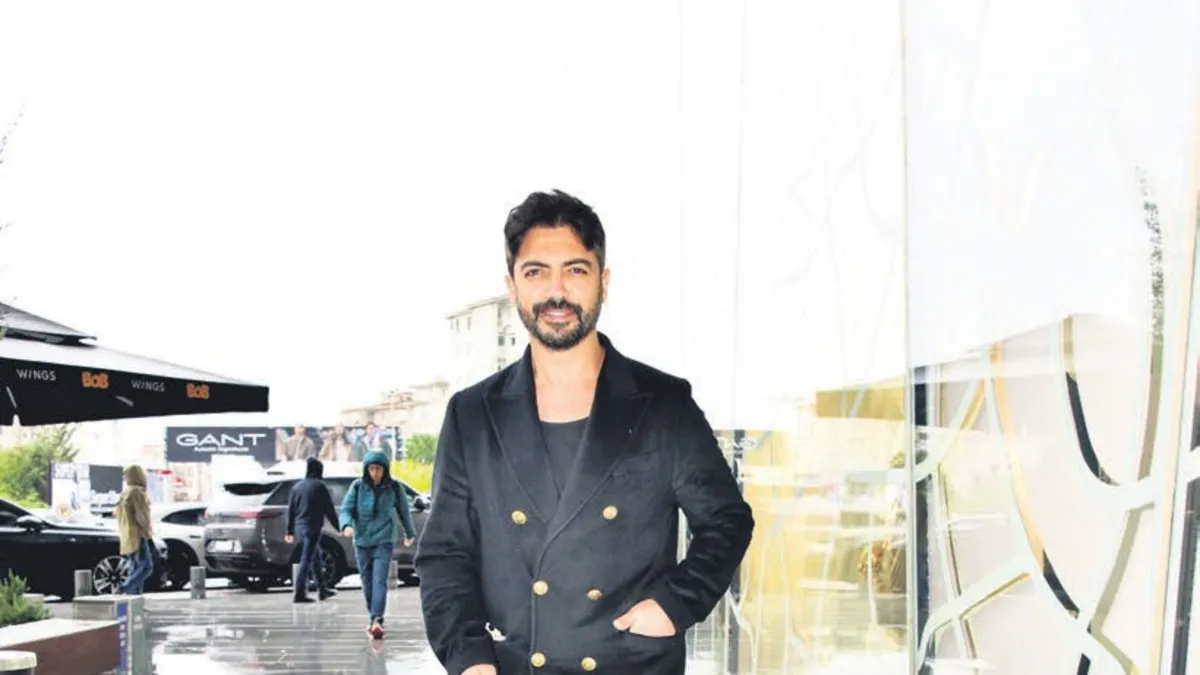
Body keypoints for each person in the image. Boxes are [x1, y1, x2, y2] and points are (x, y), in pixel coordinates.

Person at [415, 190, 755, 675]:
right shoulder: (471, 415)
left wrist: (676, 603)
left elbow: (726, 521)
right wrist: (469, 659)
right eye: (536, 272)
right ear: (512, 285)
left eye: (575, 270)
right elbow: (445, 555)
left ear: (603, 281)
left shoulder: (663, 402)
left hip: (630, 664)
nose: (556, 292)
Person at [339, 449, 417, 639]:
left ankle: (377, 619)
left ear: (385, 470)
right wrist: (346, 525)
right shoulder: (357, 487)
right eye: (372, 468)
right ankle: (373, 616)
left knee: (379, 580)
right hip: (362, 540)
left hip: (384, 539)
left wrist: (409, 533)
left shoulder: (394, 487)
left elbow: (404, 511)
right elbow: (346, 509)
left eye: (379, 469)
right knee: (366, 582)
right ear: (367, 469)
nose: (375, 473)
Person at [284, 457, 341, 603]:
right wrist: (338, 527)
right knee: (307, 559)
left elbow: (291, 510)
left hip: (299, 527)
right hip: (313, 527)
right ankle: (299, 593)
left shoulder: (297, 487)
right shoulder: (320, 486)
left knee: (316, 557)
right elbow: (329, 510)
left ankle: (322, 589)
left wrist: (290, 531)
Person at [115, 464, 156, 595]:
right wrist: (149, 534)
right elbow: (142, 516)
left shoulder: (125, 493)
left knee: (135, 568)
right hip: (138, 535)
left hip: (126, 536)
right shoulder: (138, 492)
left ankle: (134, 599)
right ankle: (124, 587)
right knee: (146, 567)